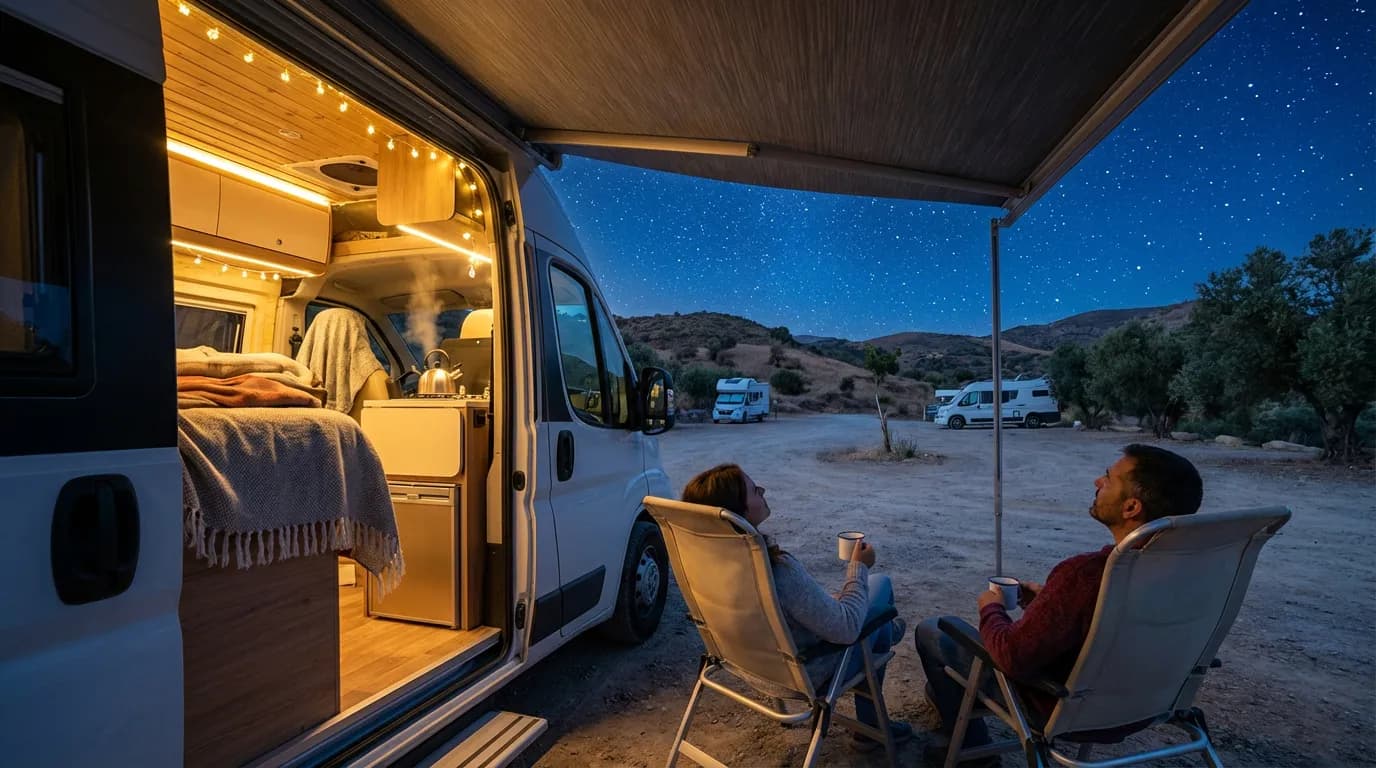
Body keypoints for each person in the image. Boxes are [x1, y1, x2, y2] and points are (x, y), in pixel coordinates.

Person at [914, 444, 1204, 766]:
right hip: (1149, 706)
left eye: (1108, 478)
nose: (1097, 482)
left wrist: (990, 608)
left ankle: (972, 751)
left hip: (1063, 708)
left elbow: (1012, 656)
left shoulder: (1086, 574)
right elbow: (1123, 628)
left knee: (934, 632)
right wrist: (1049, 604)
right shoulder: (1191, 573)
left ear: (1131, 507)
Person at [681, 463, 913, 752]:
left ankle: (886, 632)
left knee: (869, 609)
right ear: (738, 512)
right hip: (807, 672)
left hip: (745, 664)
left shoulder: (705, 565)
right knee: (879, 592)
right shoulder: (775, 571)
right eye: (754, 490)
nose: (763, 490)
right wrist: (858, 567)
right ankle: (872, 722)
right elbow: (847, 628)